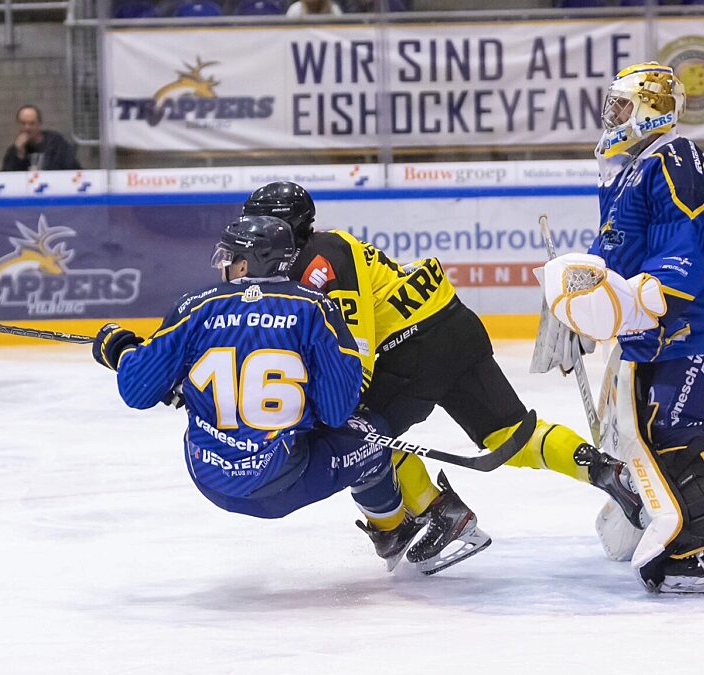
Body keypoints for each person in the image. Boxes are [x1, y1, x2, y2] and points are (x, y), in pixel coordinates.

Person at [241, 182, 648, 570]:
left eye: (255, 226)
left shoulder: (319, 261)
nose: (248, 237)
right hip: (452, 326)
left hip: (413, 348)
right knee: (509, 435)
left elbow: (355, 352)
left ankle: (433, 515)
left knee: (360, 429)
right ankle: (605, 471)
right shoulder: (312, 255)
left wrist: (334, 409)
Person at [91, 215, 474, 575]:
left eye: (231, 258)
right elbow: (338, 410)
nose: (224, 266)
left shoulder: (196, 306)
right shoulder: (314, 307)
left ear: (247, 264)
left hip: (211, 481)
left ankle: (395, 528)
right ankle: (392, 531)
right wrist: (295, 399)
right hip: (282, 486)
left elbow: (138, 389)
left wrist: (121, 349)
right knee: (368, 429)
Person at [538, 62, 704, 593]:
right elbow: (615, 255)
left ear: (649, 108)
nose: (611, 115)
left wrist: (647, 293)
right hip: (676, 316)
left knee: (672, 422)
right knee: (645, 419)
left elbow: (687, 240)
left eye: (621, 105)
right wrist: (577, 311)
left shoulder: (673, 157)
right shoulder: (635, 170)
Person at [1, 105, 81, 171]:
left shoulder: (56, 144)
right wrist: (20, 154)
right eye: (23, 123)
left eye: (32, 123)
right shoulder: (13, 152)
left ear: (39, 124)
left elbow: (73, 169)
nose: (27, 128)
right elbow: (8, 180)